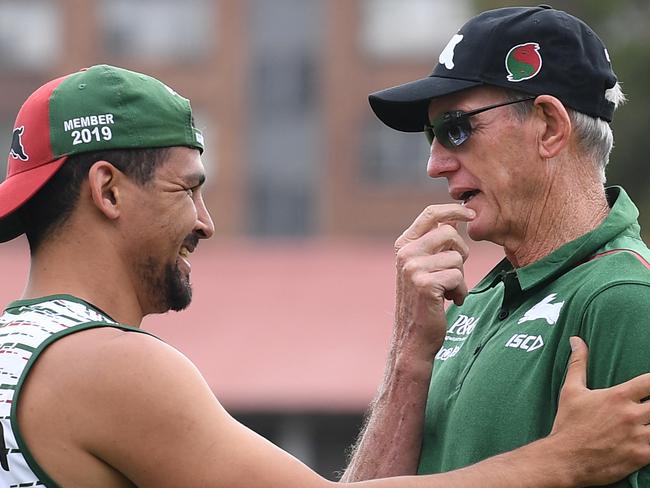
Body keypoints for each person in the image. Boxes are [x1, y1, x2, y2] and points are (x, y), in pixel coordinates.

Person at [0, 65, 649, 488]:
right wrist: (563, 460)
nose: (205, 222)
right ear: (108, 191)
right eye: (188, 189)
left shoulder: (16, 346)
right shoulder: (108, 367)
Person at [343, 4, 650, 487]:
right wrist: (408, 354)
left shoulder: (625, 299)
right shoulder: (475, 301)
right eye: (432, 134)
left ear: (549, 126)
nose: (435, 164)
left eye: (456, 129)